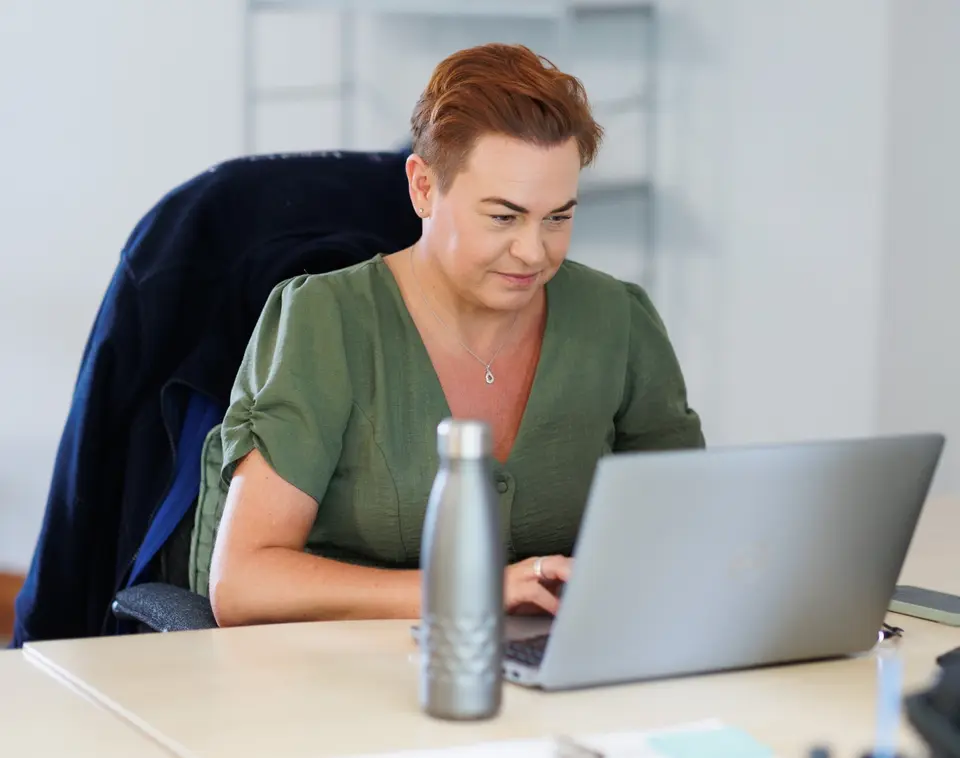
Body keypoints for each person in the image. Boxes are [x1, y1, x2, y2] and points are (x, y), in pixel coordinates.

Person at [206, 42, 704, 627]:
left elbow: (687, 531)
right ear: (422, 188)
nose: (533, 251)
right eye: (503, 216)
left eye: (559, 217)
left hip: (553, 671)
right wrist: (466, 590)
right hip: (339, 680)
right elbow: (243, 582)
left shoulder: (617, 319)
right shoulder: (328, 320)